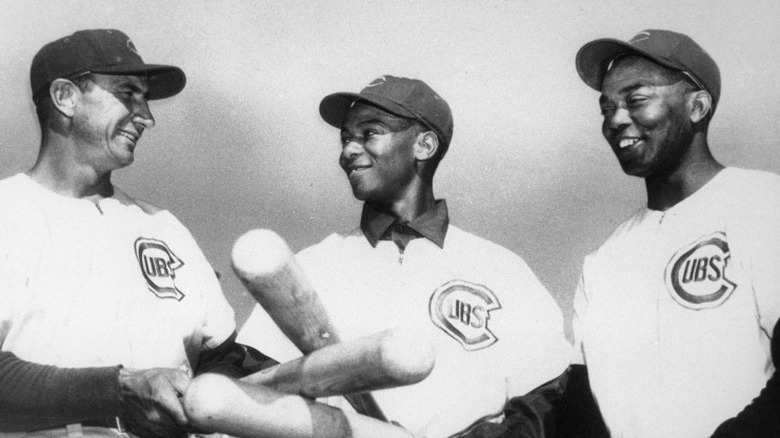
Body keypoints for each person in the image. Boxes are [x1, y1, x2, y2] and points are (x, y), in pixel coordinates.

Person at [237, 75, 571, 437]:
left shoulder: (501, 269)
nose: (348, 150)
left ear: (424, 145)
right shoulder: (311, 267)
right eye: (346, 138)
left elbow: (546, 399)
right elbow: (256, 395)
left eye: (369, 133)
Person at [0, 29, 268, 437]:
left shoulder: (163, 227)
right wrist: (118, 388)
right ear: (65, 97)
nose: (146, 116)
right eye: (127, 93)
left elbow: (222, 358)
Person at [537, 29, 780, 437]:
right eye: (606, 108)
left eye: (636, 100)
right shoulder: (604, 259)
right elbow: (582, 405)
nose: (615, 120)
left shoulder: (763, 205)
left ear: (697, 106)